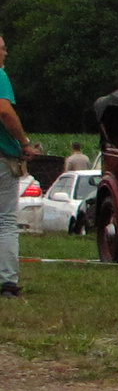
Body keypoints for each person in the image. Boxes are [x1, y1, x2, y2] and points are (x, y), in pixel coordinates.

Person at [0, 33, 43, 300]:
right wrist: (24, 142)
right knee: (4, 221)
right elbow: (4, 111)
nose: (5, 54)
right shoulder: (0, 76)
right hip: (2, 159)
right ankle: (7, 282)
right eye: (3, 49)